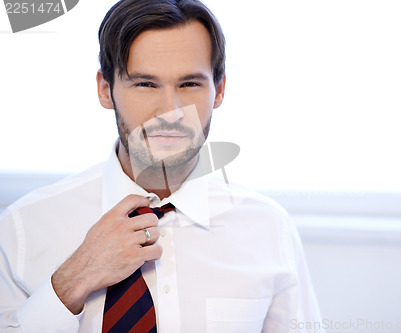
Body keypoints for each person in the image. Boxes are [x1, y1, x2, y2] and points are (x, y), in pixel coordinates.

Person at [0, 0, 323, 331]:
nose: (171, 110)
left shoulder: (269, 230)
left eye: (189, 84)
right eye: (145, 84)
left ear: (220, 90)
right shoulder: (22, 229)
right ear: (105, 89)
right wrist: (72, 282)